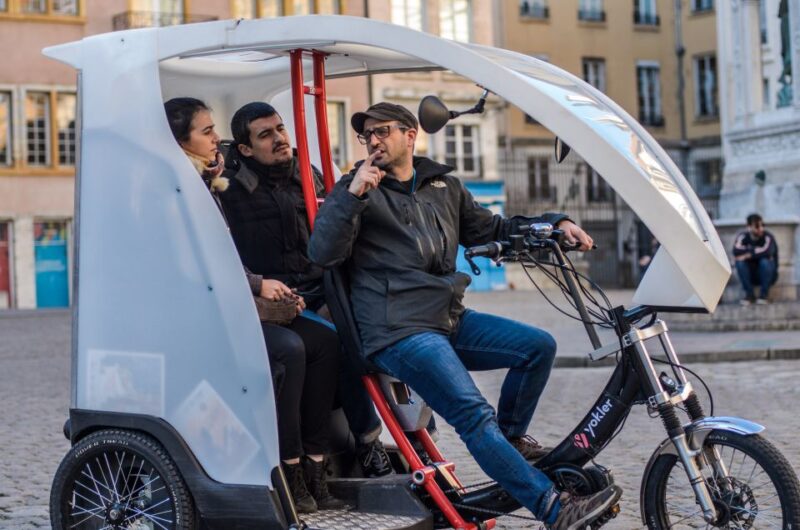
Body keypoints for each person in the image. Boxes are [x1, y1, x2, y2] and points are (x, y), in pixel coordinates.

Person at [308, 102, 622, 529]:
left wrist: (554, 223)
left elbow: (493, 229)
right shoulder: (358, 190)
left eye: (382, 131)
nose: (374, 141)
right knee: (473, 414)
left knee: (537, 347)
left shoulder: (443, 187)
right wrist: (352, 197)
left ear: (410, 134)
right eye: (368, 136)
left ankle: (510, 445)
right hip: (396, 328)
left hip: (446, 317)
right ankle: (553, 509)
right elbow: (322, 253)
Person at [164, 98, 344, 514]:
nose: (216, 139)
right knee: (291, 350)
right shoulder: (180, 187)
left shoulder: (209, 181)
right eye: (207, 132)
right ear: (181, 141)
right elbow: (199, 258)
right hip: (205, 315)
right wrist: (258, 283)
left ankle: (318, 466)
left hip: (233, 302)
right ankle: (290, 469)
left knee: (326, 343)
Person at [218, 102, 394, 487]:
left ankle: (388, 438)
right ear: (245, 148)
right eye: (266, 134)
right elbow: (222, 254)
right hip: (275, 300)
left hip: (322, 288)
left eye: (281, 129)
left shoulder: (308, 174)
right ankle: (366, 442)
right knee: (338, 342)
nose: (280, 138)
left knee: (371, 333)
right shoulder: (229, 188)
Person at [733, 213, 778, 305]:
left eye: (762, 225)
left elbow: (768, 251)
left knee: (765, 262)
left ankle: (764, 295)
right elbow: (736, 250)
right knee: (739, 262)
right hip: (750, 274)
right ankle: (750, 295)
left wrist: (748, 255)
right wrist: (755, 251)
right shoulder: (743, 237)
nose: (761, 229)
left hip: (768, 275)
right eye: (757, 226)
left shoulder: (768, 237)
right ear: (749, 227)